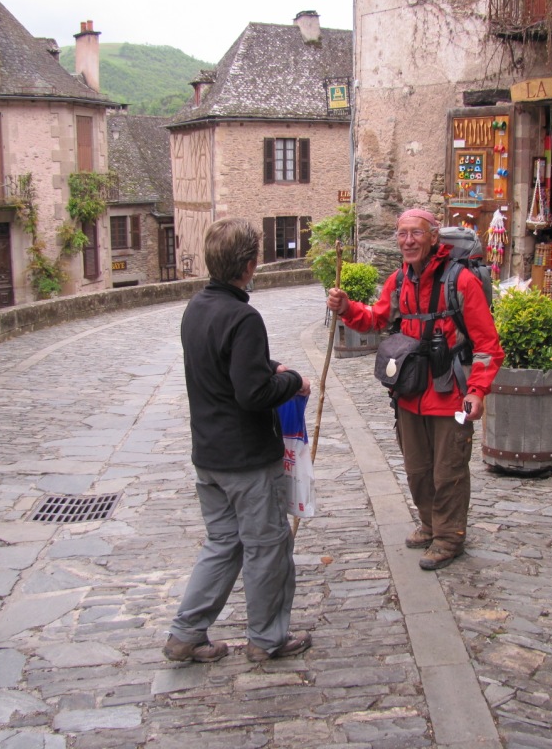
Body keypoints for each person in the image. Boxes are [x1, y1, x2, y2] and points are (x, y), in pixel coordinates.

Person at [164, 217, 313, 664]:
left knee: (223, 542)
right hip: (247, 461)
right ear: (250, 263)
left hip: (208, 456)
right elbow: (252, 395)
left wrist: (268, 367)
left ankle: (186, 633)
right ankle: (267, 639)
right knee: (268, 548)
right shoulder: (244, 316)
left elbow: (224, 364)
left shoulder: (197, 307)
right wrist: (294, 383)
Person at [327, 209, 504, 570]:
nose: (408, 241)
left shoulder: (461, 282)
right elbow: (376, 319)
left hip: (450, 391)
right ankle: (429, 524)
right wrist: (347, 308)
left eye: (416, 233)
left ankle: (449, 537)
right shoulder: (399, 280)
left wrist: (477, 390)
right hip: (409, 391)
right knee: (417, 469)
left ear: (434, 237)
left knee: (448, 470)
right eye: (402, 234)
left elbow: (488, 344)